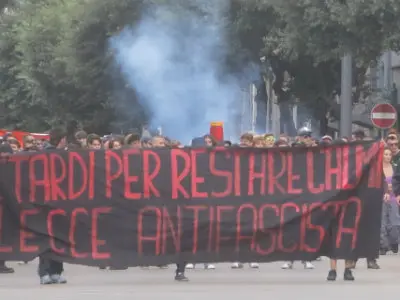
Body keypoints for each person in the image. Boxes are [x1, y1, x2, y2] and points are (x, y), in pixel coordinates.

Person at [38, 127, 67, 285]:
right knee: (47, 239)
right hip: (47, 201)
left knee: (58, 238)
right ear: (61, 139)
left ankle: (56, 271)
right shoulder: (46, 154)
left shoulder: (59, 155)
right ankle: (45, 272)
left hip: (58, 200)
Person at [381, 148, 400, 254]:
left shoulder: (395, 168)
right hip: (382, 197)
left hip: (393, 197)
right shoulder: (378, 169)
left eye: (389, 154)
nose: (387, 156)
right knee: (382, 221)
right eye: (385, 154)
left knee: (395, 221)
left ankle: (394, 242)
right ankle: (383, 245)